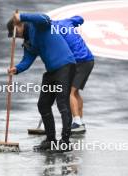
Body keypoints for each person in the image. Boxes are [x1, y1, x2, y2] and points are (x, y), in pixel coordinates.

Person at [7, 11, 76, 151]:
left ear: (19, 25)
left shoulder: (37, 25)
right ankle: (51, 140)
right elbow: (27, 60)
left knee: (62, 103)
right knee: (43, 104)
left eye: (16, 32)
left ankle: (65, 142)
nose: (17, 36)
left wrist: (22, 16)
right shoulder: (28, 42)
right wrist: (17, 69)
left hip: (65, 66)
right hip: (51, 72)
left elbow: (45, 18)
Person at [52, 16, 94, 133]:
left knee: (69, 92)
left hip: (79, 61)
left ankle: (77, 123)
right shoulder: (66, 21)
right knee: (75, 92)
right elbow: (80, 19)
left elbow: (59, 52)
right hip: (89, 60)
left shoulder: (53, 33)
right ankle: (80, 121)